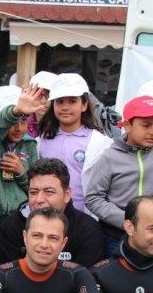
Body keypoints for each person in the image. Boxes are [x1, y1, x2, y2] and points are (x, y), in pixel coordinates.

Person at [83, 95, 153, 258]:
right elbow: (93, 198)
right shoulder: (109, 157)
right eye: (146, 125)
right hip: (116, 237)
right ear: (127, 126)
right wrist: (127, 221)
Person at [0, 158, 105, 268]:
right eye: (34, 192)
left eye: (49, 192)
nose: (39, 199)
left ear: (66, 194)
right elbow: (3, 277)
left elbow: (88, 280)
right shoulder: (11, 227)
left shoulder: (88, 230)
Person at [0, 85, 42, 268]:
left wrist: (22, 173)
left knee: (14, 275)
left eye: (24, 120)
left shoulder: (30, 146)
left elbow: (36, 188)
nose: (19, 128)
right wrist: (15, 110)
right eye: (13, 120)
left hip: (19, 224)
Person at [38, 73, 104, 212]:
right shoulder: (41, 140)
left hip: (83, 218)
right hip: (46, 217)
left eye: (72, 101)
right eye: (60, 101)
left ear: (84, 105)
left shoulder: (100, 143)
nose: (65, 107)